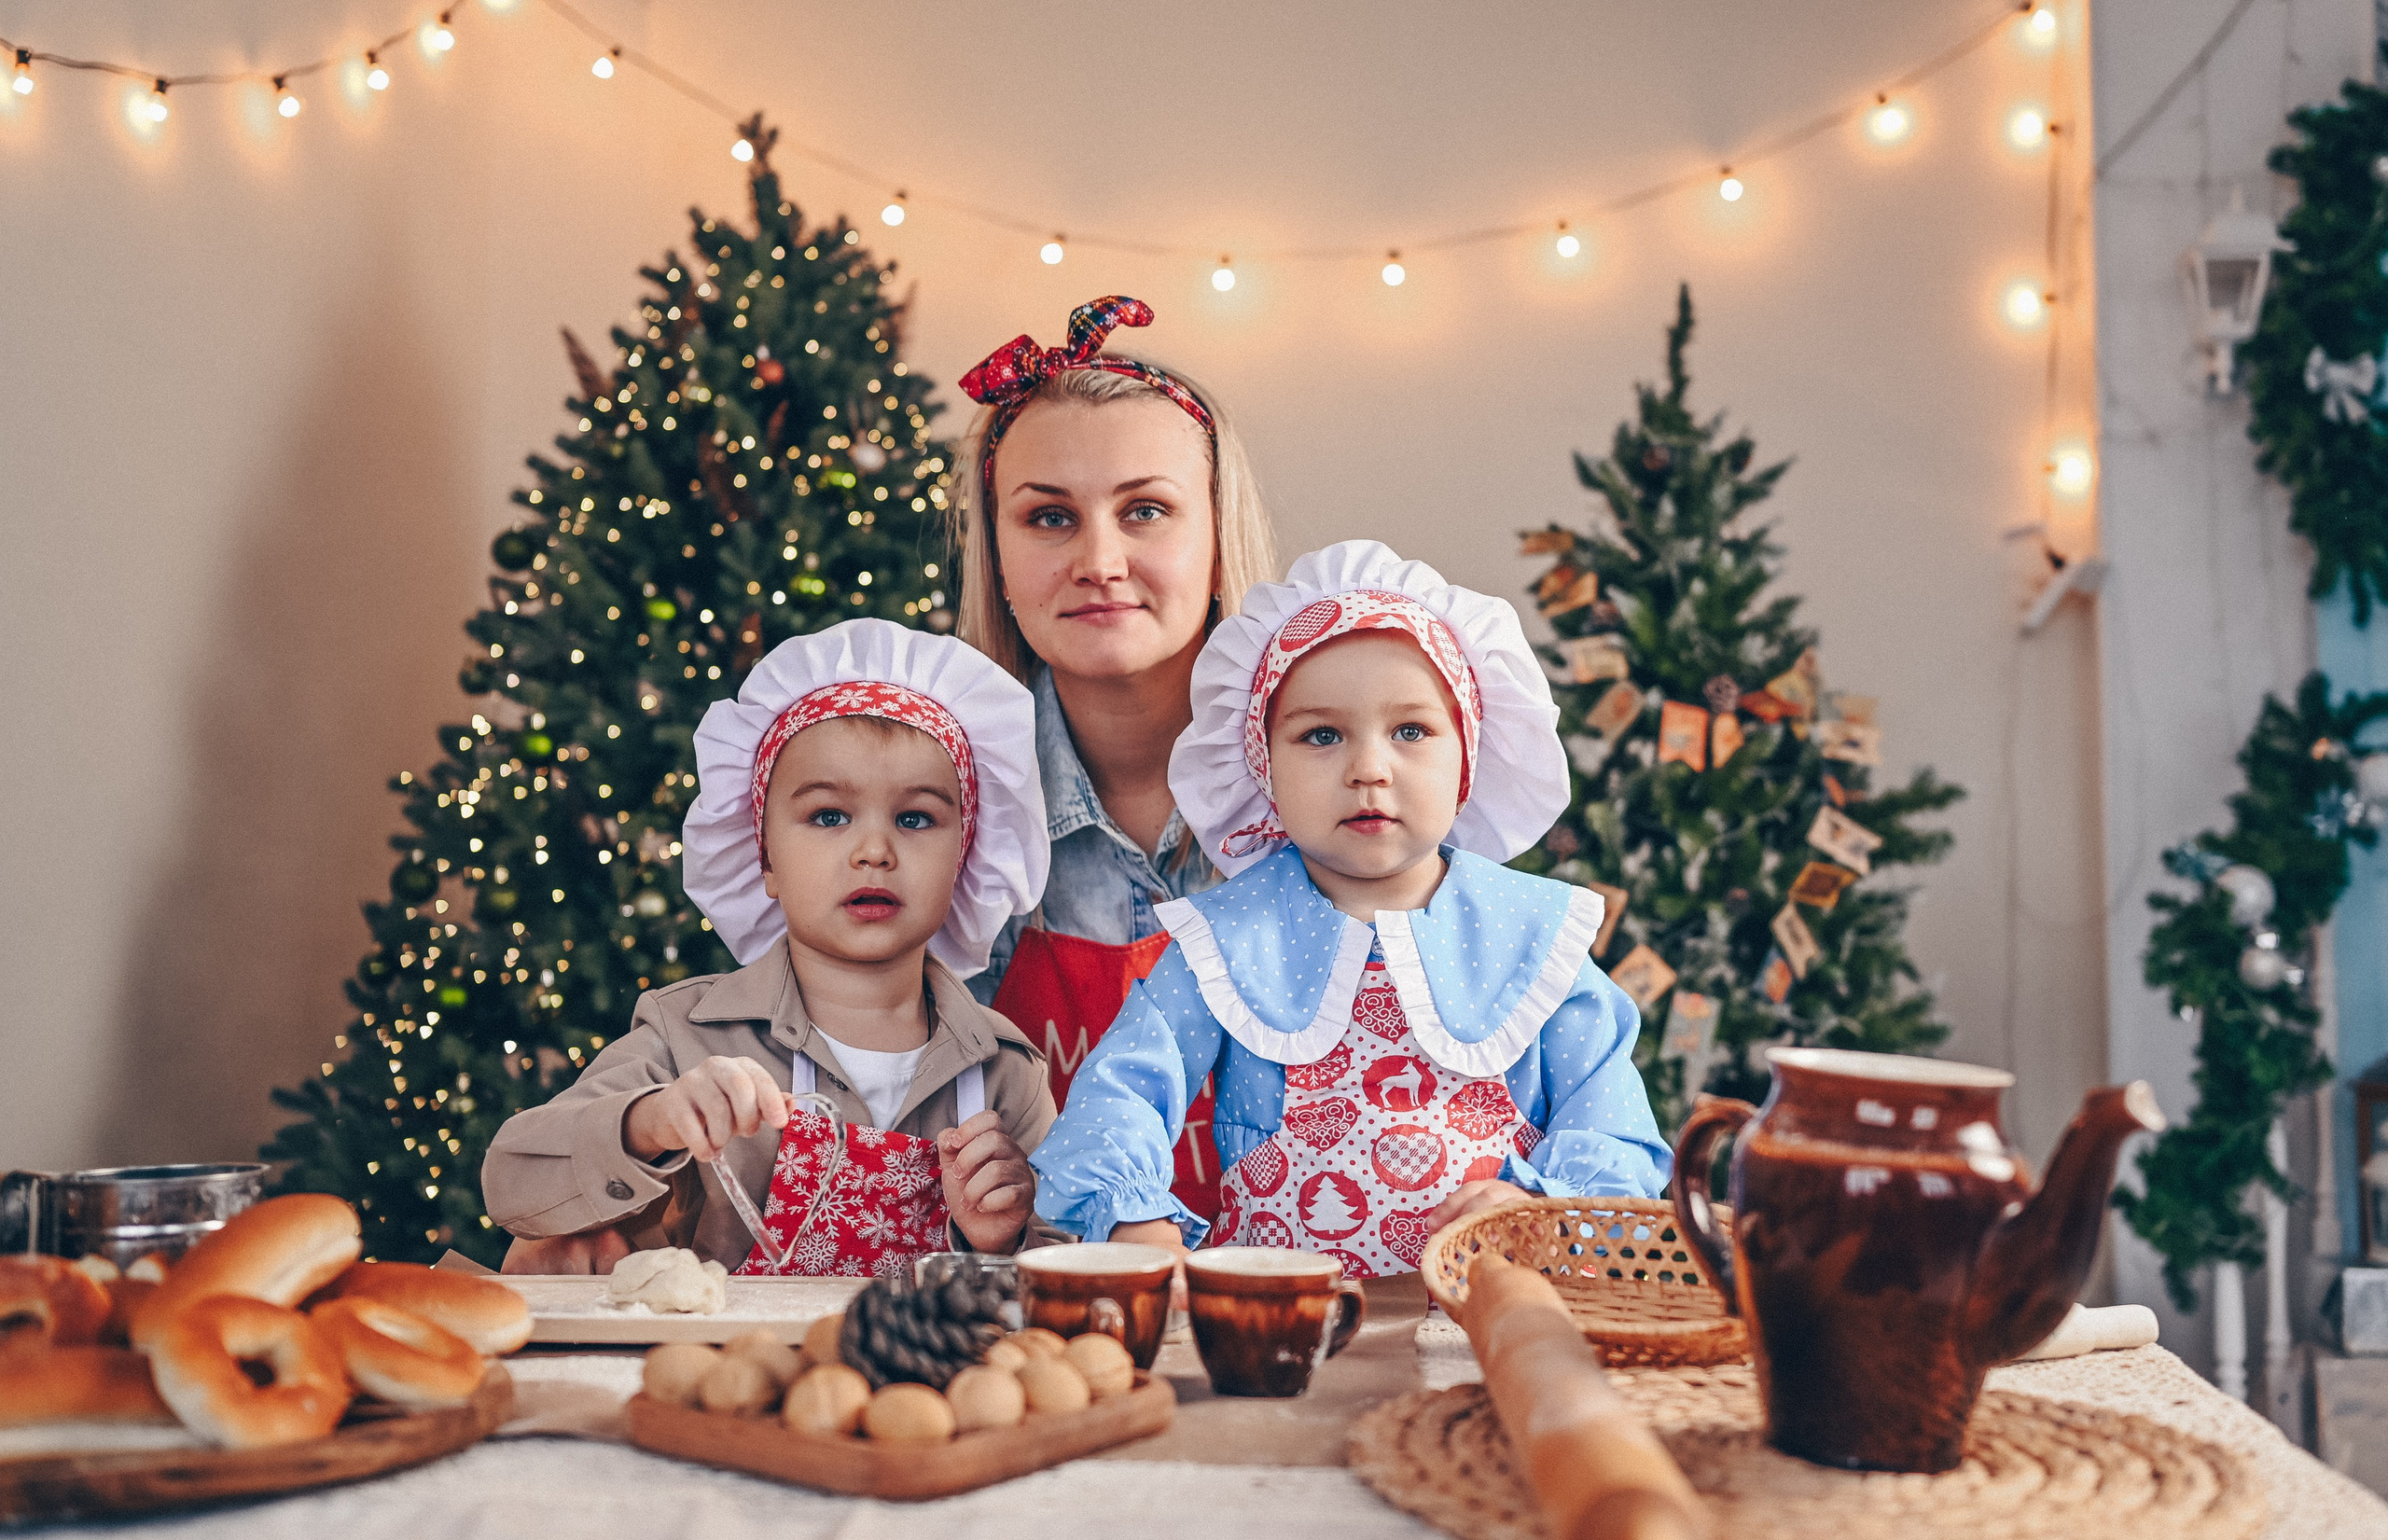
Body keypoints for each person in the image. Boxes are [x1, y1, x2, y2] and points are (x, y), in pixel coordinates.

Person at [1030, 541, 1672, 1276]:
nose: (1369, 767)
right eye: (1322, 735)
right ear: (1263, 765)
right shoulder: (1229, 937)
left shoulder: (1533, 936)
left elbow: (1612, 1124)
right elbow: (1120, 1088)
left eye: (1411, 731)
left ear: (1468, 754)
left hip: (1495, 1323)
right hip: (1281, 1329)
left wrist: (1543, 1209)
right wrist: (1131, 1212)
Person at [483, 620, 1059, 1275]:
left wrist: (1002, 1237)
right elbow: (512, 1180)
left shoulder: (1007, 1072)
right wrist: (651, 1122)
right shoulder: (686, 1037)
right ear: (764, 858)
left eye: (915, 817)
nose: (875, 849)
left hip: (926, 1379)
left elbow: (1073, 1273)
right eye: (829, 816)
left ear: (964, 855)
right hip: (737, 1374)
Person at [951, 295, 1277, 1228]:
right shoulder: (931, 819)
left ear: (1215, 536)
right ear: (998, 555)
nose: (1099, 558)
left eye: (1144, 510)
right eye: (1049, 517)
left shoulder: (1343, 798)